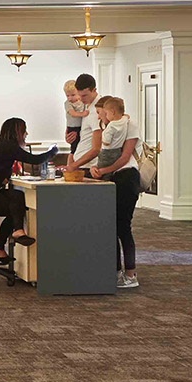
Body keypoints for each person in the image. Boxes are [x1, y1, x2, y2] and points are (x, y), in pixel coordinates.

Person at [0, 117, 62, 259]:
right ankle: (8, 239)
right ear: (17, 132)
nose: (26, 134)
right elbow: (35, 160)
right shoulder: (8, 146)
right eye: (24, 131)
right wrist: (53, 151)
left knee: (17, 197)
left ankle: (10, 238)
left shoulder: (3, 145)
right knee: (14, 206)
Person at [84, 95, 143, 289]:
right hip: (114, 179)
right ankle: (115, 272)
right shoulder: (109, 128)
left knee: (123, 226)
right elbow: (105, 157)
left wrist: (102, 171)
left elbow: (124, 157)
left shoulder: (129, 125)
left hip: (127, 178)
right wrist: (98, 170)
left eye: (101, 113)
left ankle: (131, 274)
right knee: (111, 227)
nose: (101, 118)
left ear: (111, 111)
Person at [64, 81, 90, 150]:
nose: (70, 98)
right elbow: (72, 113)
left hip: (81, 127)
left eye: (73, 95)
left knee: (81, 146)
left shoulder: (81, 102)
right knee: (74, 148)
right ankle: (72, 160)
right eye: (67, 96)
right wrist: (82, 114)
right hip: (73, 127)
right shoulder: (68, 103)